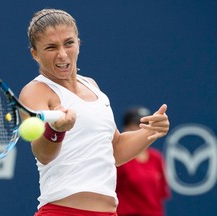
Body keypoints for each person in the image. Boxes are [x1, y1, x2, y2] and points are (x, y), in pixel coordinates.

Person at [19, 8, 170, 216]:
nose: (62, 54)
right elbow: (43, 154)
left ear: (79, 43)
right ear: (35, 54)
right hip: (62, 212)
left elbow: (114, 150)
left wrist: (151, 132)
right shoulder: (35, 91)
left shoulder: (92, 86)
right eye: (51, 47)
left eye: (69, 43)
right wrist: (57, 129)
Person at [116, 107, 171, 216]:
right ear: (126, 128)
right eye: (138, 125)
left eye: (147, 125)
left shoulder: (156, 158)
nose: (142, 130)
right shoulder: (119, 157)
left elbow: (160, 194)